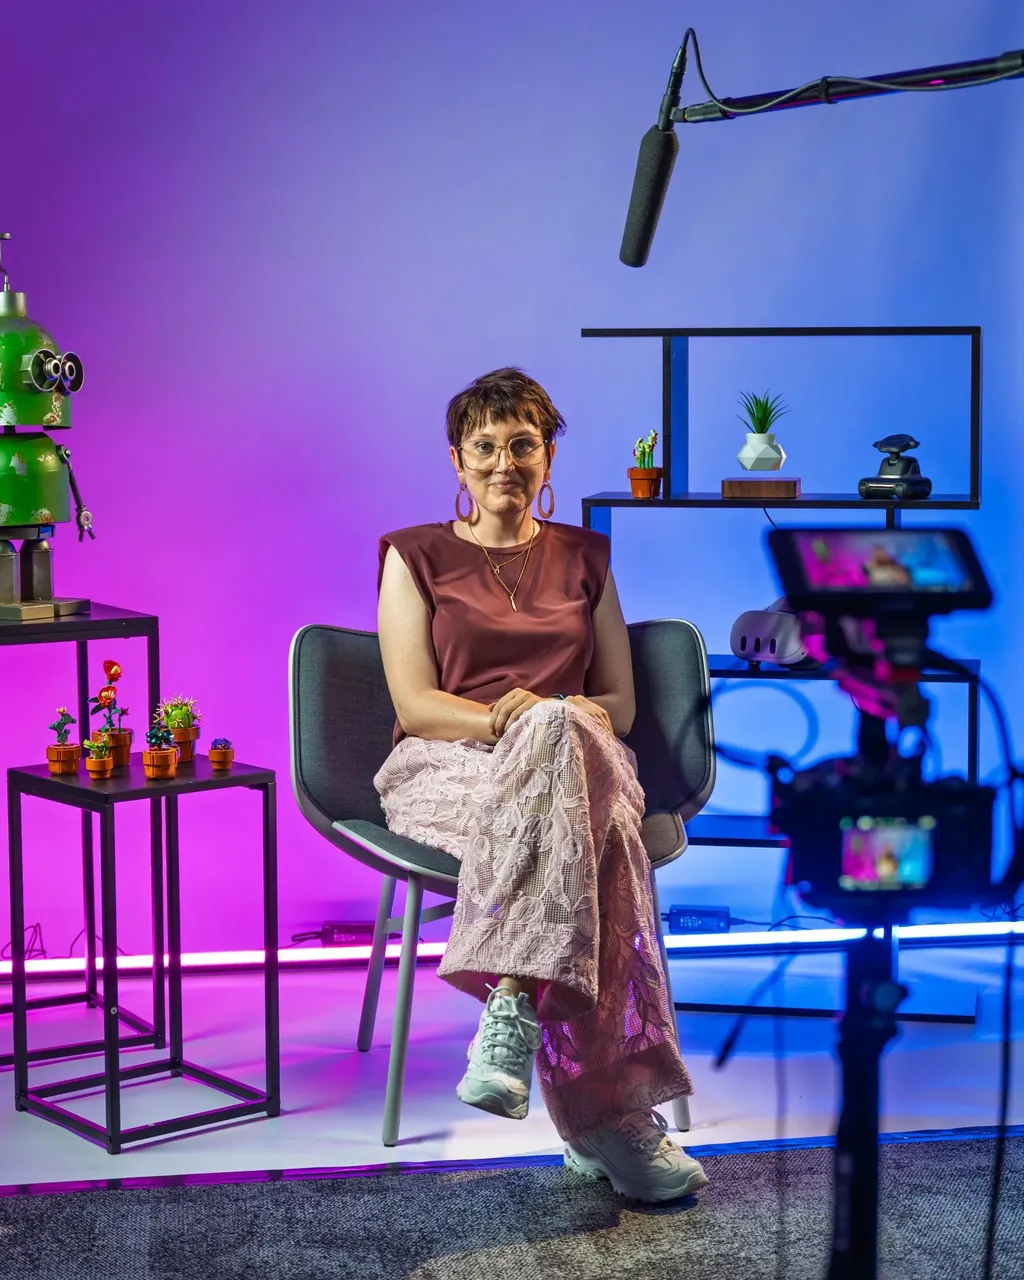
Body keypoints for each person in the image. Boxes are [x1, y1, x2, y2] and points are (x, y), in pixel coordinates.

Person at [374, 367, 708, 1202]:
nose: (503, 463)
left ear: (547, 453)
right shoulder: (412, 554)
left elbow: (620, 706)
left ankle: (512, 1008)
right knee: (608, 834)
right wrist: (509, 721)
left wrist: (551, 717)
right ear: (457, 459)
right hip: (450, 763)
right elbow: (415, 703)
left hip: (583, 754)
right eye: (484, 446)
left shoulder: (586, 556)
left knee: (567, 732)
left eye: (522, 444)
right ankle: (614, 1124)